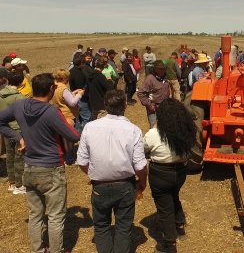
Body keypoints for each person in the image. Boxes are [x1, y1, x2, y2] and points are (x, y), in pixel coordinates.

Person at [0, 73, 80, 253]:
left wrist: (18, 137)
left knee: (35, 215)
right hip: (52, 169)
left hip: (29, 168)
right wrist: (68, 122)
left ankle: (37, 250)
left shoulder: (19, 105)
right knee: (55, 216)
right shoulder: (51, 111)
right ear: (51, 89)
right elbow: (73, 136)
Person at [77, 90, 147, 253]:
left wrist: (94, 173)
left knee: (101, 227)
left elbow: (81, 161)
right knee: (123, 227)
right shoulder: (133, 130)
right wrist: (142, 182)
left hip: (100, 186)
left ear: (106, 105)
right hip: (125, 185)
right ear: (124, 106)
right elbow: (140, 166)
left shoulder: (90, 127)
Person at [144, 99, 196, 253]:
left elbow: (143, 148)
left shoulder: (154, 134)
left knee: (164, 208)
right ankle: (180, 225)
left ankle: (169, 244)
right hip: (180, 173)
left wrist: (154, 126)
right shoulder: (186, 133)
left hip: (160, 174)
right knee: (174, 195)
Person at [0, 70, 26, 194]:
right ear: (21, 82)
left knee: (9, 157)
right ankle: (19, 185)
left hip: (5, 129)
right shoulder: (19, 97)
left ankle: (11, 183)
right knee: (19, 158)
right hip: (18, 130)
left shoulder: (1, 94)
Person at [51, 69, 84, 164]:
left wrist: (73, 93)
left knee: (63, 138)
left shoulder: (55, 87)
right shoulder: (63, 89)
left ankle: (66, 156)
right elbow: (73, 103)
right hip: (68, 116)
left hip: (60, 114)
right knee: (68, 139)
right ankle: (69, 159)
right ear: (64, 78)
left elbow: (62, 99)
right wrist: (80, 94)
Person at [138, 60, 171, 127]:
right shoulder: (150, 79)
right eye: (160, 69)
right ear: (155, 69)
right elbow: (141, 93)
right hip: (154, 109)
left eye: (164, 68)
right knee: (154, 128)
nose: (163, 70)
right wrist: (149, 104)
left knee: (166, 127)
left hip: (165, 107)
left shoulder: (166, 78)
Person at [69, 53, 92, 133]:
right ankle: (84, 134)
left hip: (75, 97)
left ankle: (77, 134)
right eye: (84, 63)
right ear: (81, 63)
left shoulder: (72, 70)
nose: (85, 65)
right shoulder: (78, 74)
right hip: (82, 99)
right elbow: (80, 88)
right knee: (87, 117)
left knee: (78, 118)